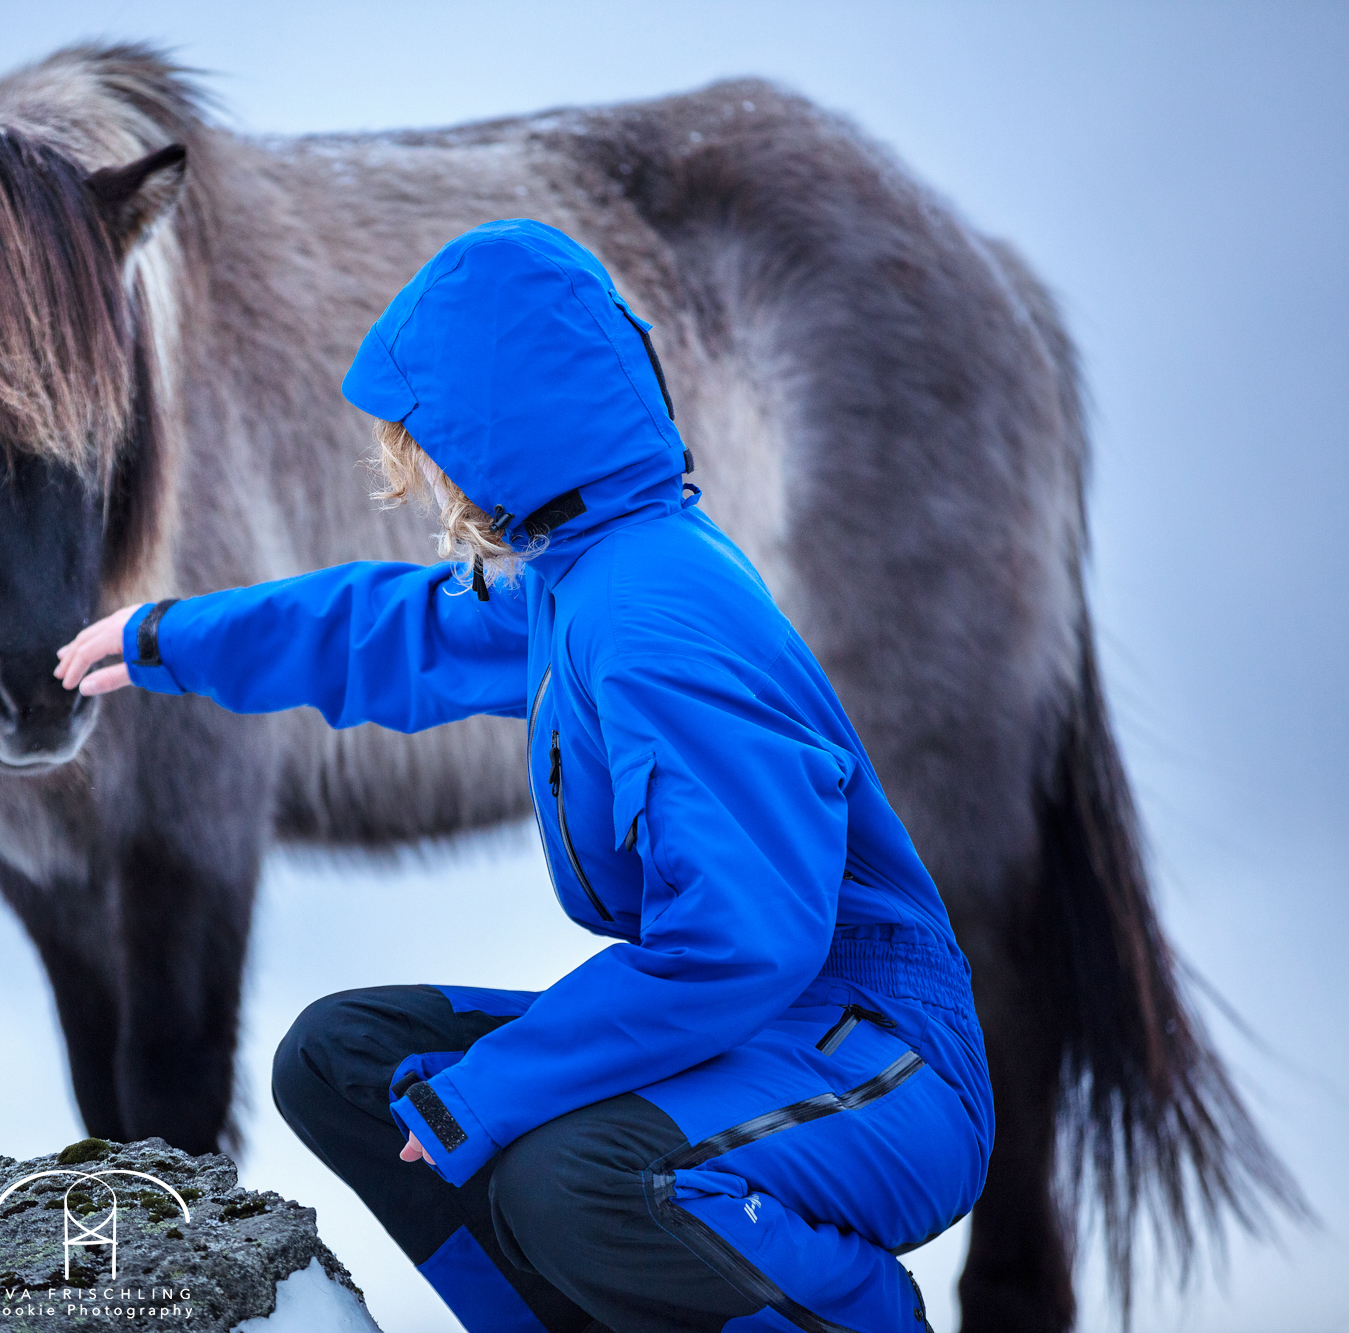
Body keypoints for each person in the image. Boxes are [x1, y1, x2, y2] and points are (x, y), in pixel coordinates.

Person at [54, 219, 990, 1333]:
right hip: (761, 1028)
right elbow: (398, 630)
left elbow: (745, 938)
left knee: (583, 1180)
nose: (423, 469)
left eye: (429, 437)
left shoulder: (658, 618)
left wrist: (489, 1092)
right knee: (343, 1062)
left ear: (503, 425)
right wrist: (169, 636)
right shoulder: (579, 573)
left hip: (879, 1058)